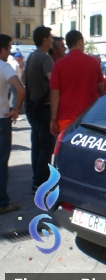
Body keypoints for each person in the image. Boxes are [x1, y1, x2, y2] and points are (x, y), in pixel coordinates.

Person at [50, 30, 104, 136]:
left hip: (66, 117)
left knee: (67, 151)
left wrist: (53, 119)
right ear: (80, 42)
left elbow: (55, 95)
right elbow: (101, 88)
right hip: (89, 117)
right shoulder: (93, 62)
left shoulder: (58, 65)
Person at [24, 26, 54, 195]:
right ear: (44, 40)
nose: (51, 40)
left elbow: (23, 79)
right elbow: (53, 81)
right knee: (46, 146)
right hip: (43, 108)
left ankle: (36, 180)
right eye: (50, 37)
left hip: (31, 107)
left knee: (36, 145)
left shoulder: (31, 57)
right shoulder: (45, 58)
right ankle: (40, 182)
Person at [0, 34, 26, 214]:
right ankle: (2, 203)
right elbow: (21, 89)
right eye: (9, 48)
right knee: (1, 163)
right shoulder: (4, 67)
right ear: (2, 50)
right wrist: (16, 109)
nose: (10, 52)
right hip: (1, 120)